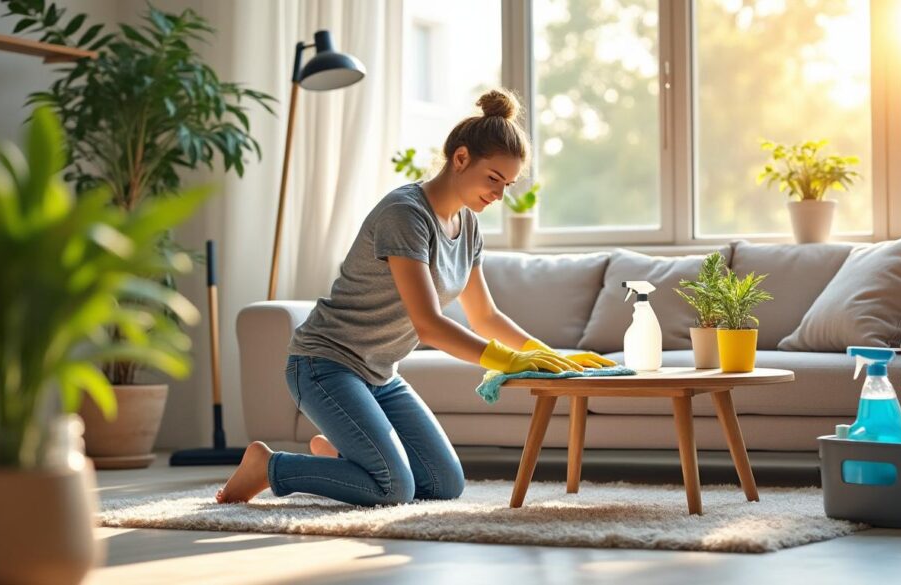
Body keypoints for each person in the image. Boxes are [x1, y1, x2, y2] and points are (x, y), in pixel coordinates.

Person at [216, 88, 615, 506]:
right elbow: (429, 324)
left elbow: (486, 316)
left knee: (445, 483)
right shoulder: (405, 214)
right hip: (324, 365)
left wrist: (553, 357)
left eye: (508, 185)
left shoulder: (468, 226)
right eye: (493, 179)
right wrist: (508, 361)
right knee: (394, 488)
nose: (499, 195)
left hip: (380, 374)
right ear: (460, 159)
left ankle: (341, 456)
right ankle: (270, 466)